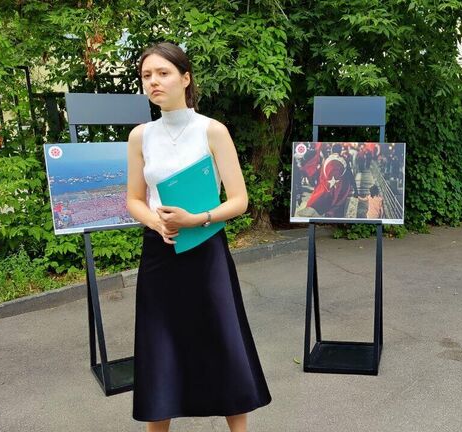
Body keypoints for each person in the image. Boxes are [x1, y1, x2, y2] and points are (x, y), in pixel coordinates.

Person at [125, 42, 271, 432]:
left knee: (222, 339)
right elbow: (134, 200)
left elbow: (239, 200)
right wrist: (156, 224)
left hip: (206, 251)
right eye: (146, 75)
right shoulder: (140, 136)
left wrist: (197, 218)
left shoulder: (212, 130)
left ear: (185, 78)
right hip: (160, 252)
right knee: (160, 347)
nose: (154, 81)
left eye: (163, 73)